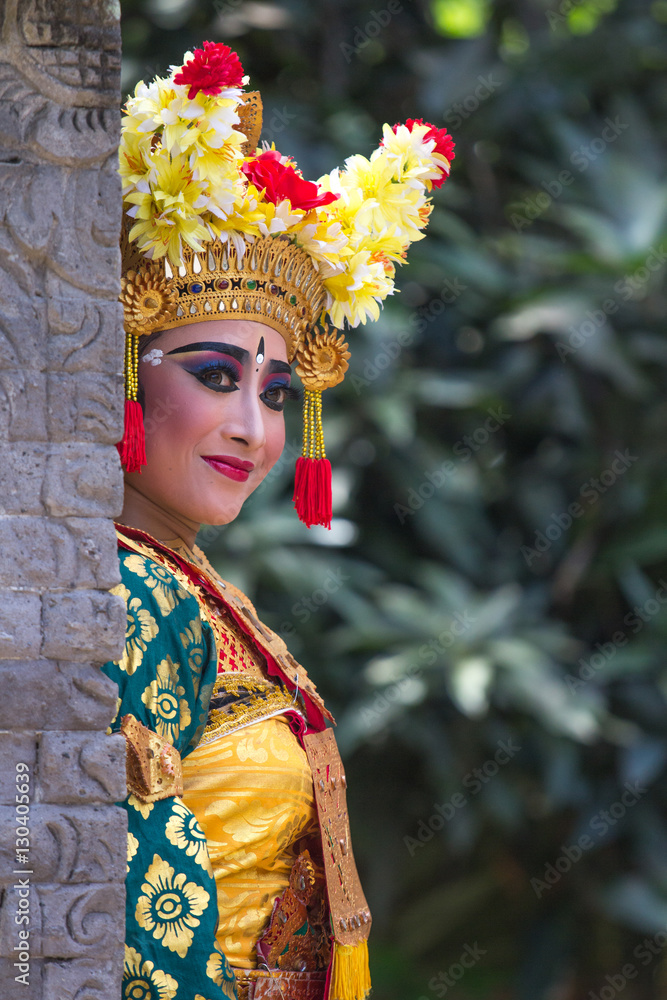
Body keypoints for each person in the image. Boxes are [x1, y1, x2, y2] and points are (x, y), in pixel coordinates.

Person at [102, 40, 455, 1000]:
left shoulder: (186, 584)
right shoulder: (123, 584)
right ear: (117, 371)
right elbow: (137, 926)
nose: (254, 429)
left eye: (277, 390)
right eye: (216, 376)